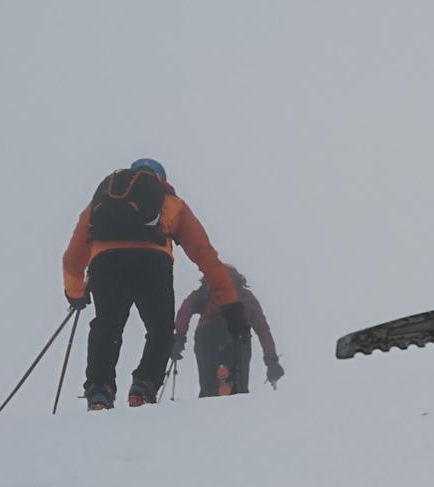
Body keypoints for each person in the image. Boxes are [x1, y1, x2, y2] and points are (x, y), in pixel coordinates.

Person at [62, 158, 249, 410]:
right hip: (152, 263)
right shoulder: (169, 201)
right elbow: (204, 255)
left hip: (106, 264)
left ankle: (99, 389)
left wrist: (76, 293)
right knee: (160, 330)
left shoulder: (101, 202)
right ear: (160, 178)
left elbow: (73, 256)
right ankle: (144, 385)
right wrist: (230, 304)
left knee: (107, 325)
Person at [172, 264, 284, 397]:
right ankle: (234, 389)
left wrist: (178, 338)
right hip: (238, 335)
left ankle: (211, 394)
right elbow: (263, 329)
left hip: (207, 334)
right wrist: (271, 361)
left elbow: (185, 310)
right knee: (239, 385)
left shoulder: (206, 290)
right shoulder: (245, 296)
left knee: (208, 386)